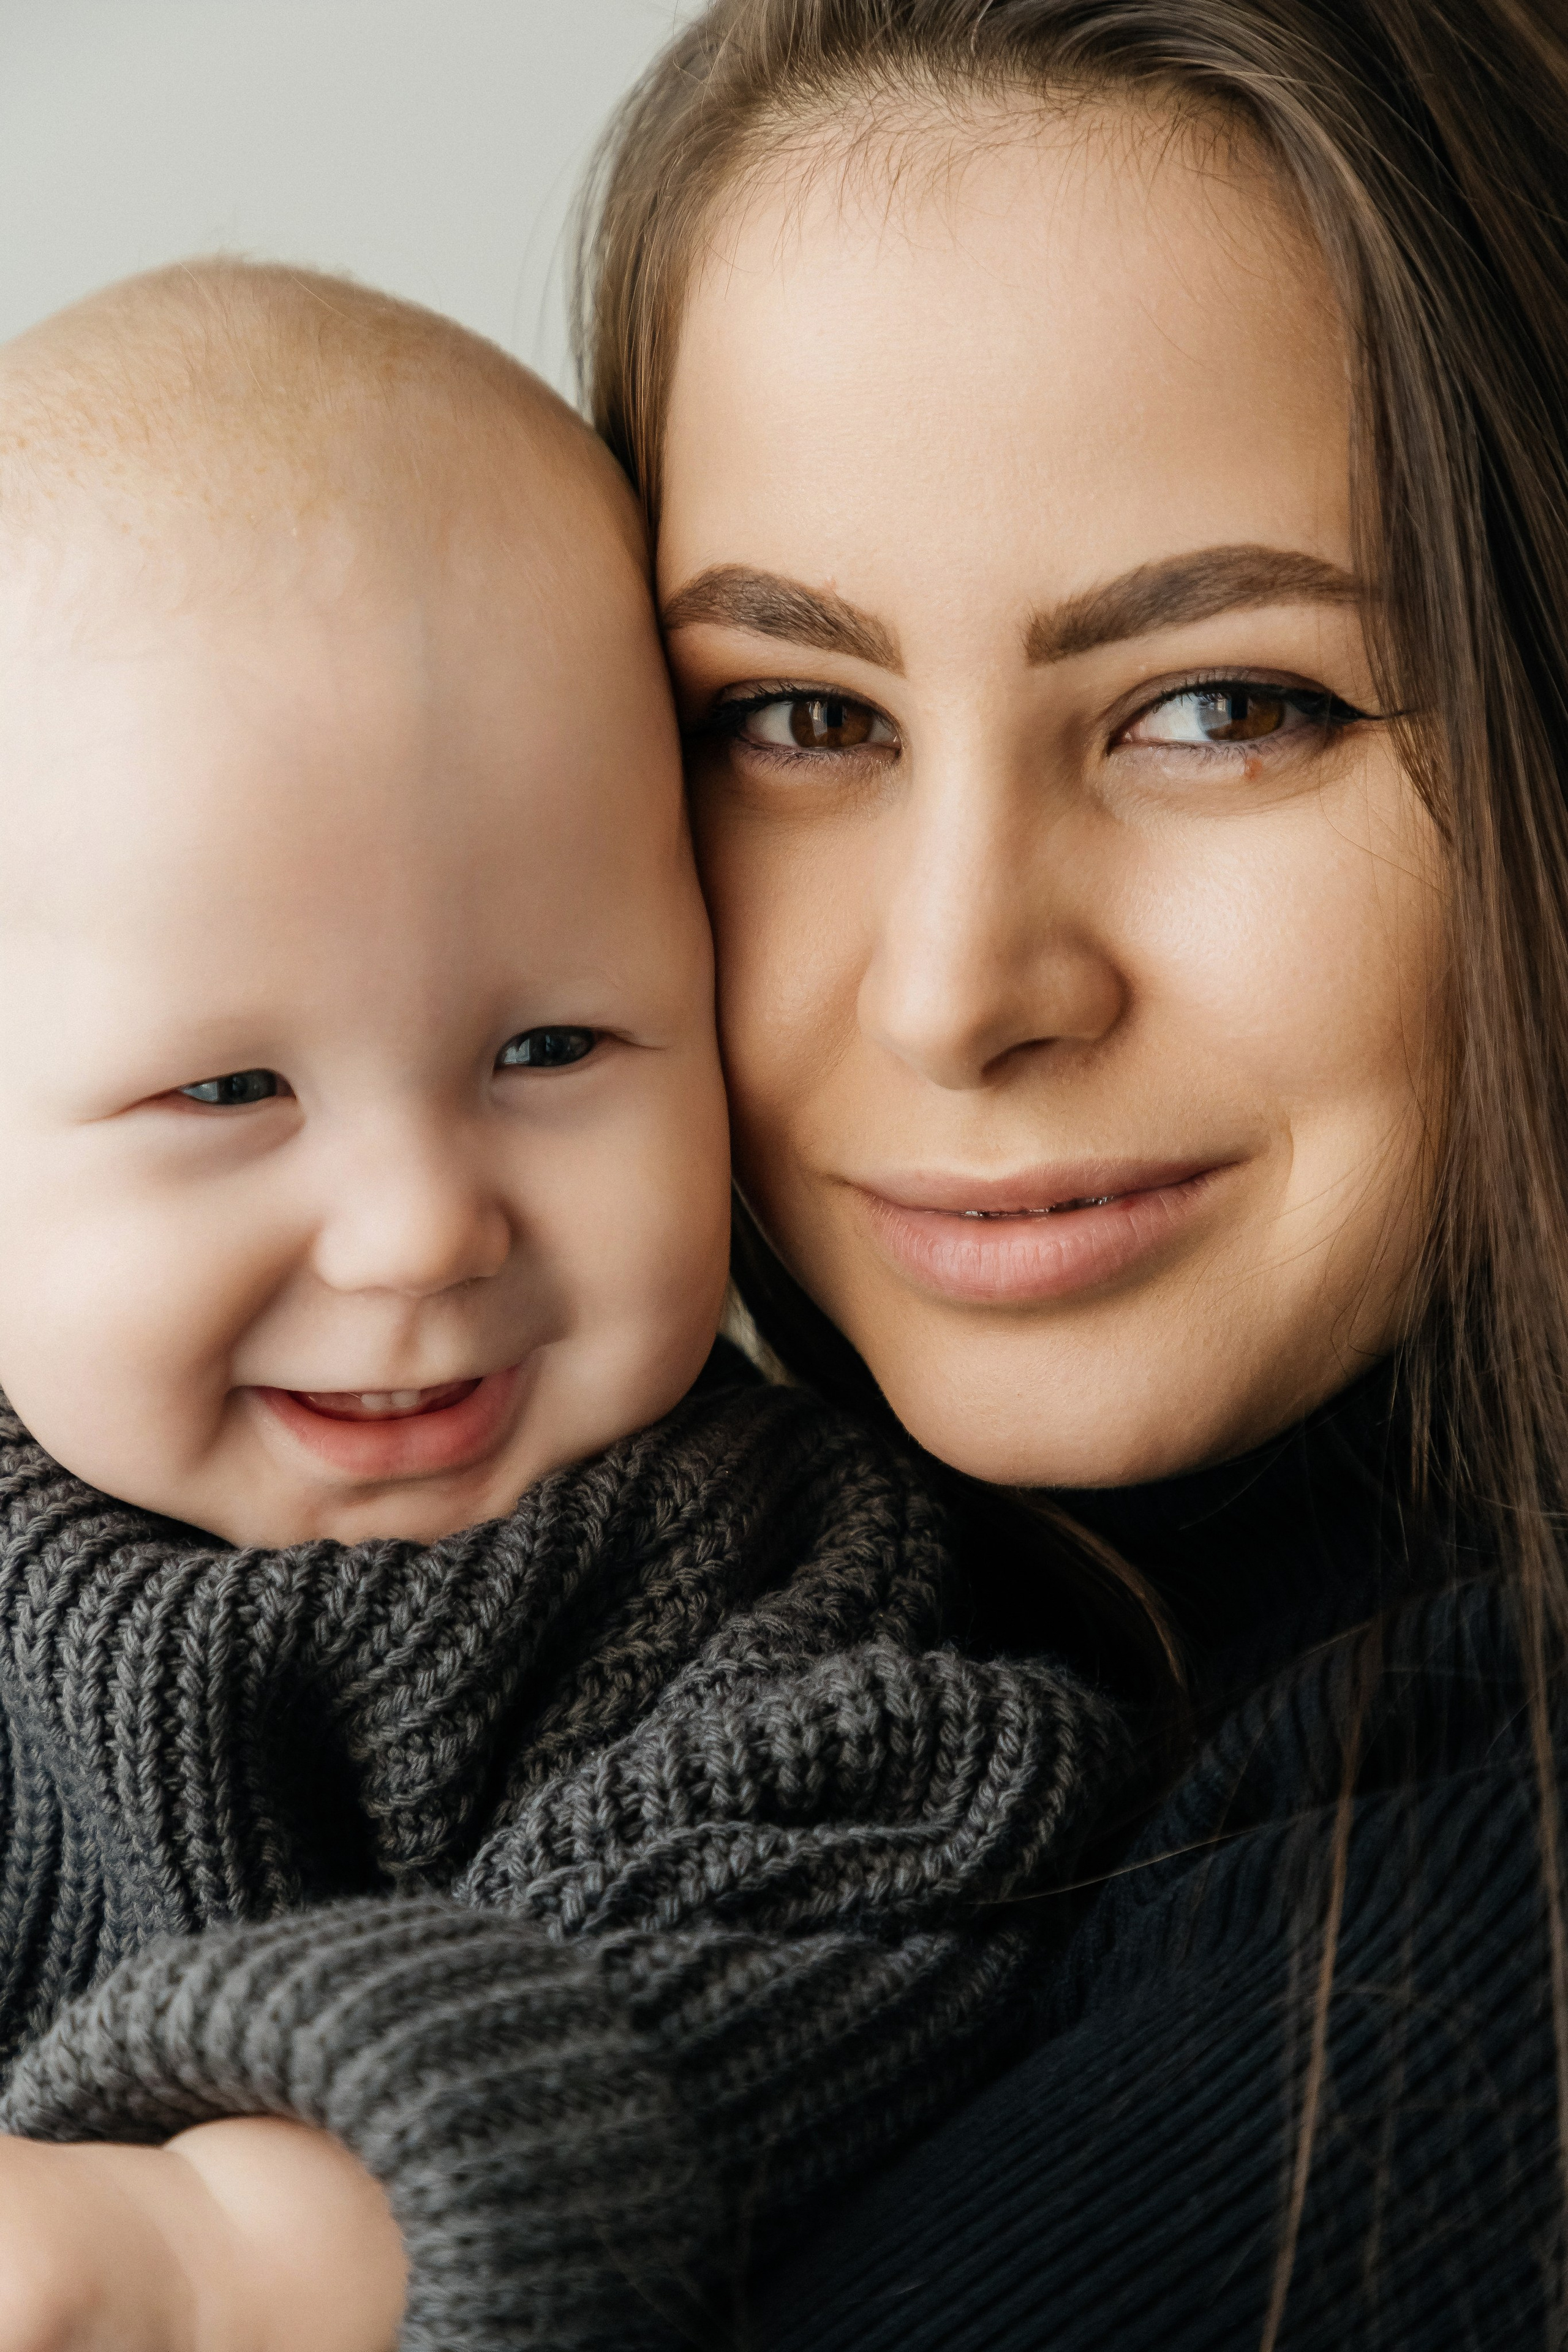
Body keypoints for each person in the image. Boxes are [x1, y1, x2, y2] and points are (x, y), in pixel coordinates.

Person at [0, 262, 1125, 2350]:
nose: (421, 1232)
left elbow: (857, 1924)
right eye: (231, 1089)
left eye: (557, 1051)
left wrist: (222, 2252)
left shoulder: (776, 1588)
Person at [569, 0, 1568, 2342]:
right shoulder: (633, 1619)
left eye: (1227, 706)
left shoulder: (1464, 1956)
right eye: (799, 719)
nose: (955, 989)